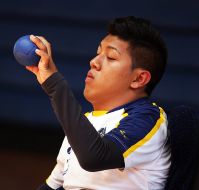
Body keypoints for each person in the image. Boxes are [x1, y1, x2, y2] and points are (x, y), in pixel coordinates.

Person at [26, 16, 171, 190]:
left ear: (139, 78)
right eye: (97, 53)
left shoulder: (148, 118)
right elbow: (51, 187)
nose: (94, 62)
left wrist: (54, 84)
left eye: (110, 57)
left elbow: (94, 157)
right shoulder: (83, 124)